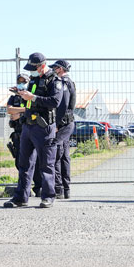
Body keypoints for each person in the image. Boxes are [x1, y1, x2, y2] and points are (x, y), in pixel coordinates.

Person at [4, 52, 63, 208]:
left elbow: (55, 101)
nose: (31, 71)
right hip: (28, 126)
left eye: (33, 68)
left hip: (43, 127)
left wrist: (33, 98)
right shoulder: (34, 80)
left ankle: (48, 196)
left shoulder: (54, 80)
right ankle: (20, 198)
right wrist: (21, 94)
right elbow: (29, 100)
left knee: (46, 164)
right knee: (24, 164)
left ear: (42, 66)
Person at [51, 60, 76, 199]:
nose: (53, 70)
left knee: (55, 155)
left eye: (55, 68)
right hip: (67, 122)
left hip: (63, 124)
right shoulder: (68, 82)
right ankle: (65, 189)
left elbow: (64, 105)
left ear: (60, 69)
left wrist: (57, 124)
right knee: (64, 156)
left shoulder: (64, 83)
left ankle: (59, 189)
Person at [6, 74, 29, 171]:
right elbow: (9, 110)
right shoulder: (13, 98)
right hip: (18, 133)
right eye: (19, 82)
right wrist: (24, 110)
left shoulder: (30, 97)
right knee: (19, 162)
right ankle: (22, 184)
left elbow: (33, 109)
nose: (21, 84)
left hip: (29, 132)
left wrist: (19, 114)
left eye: (24, 82)